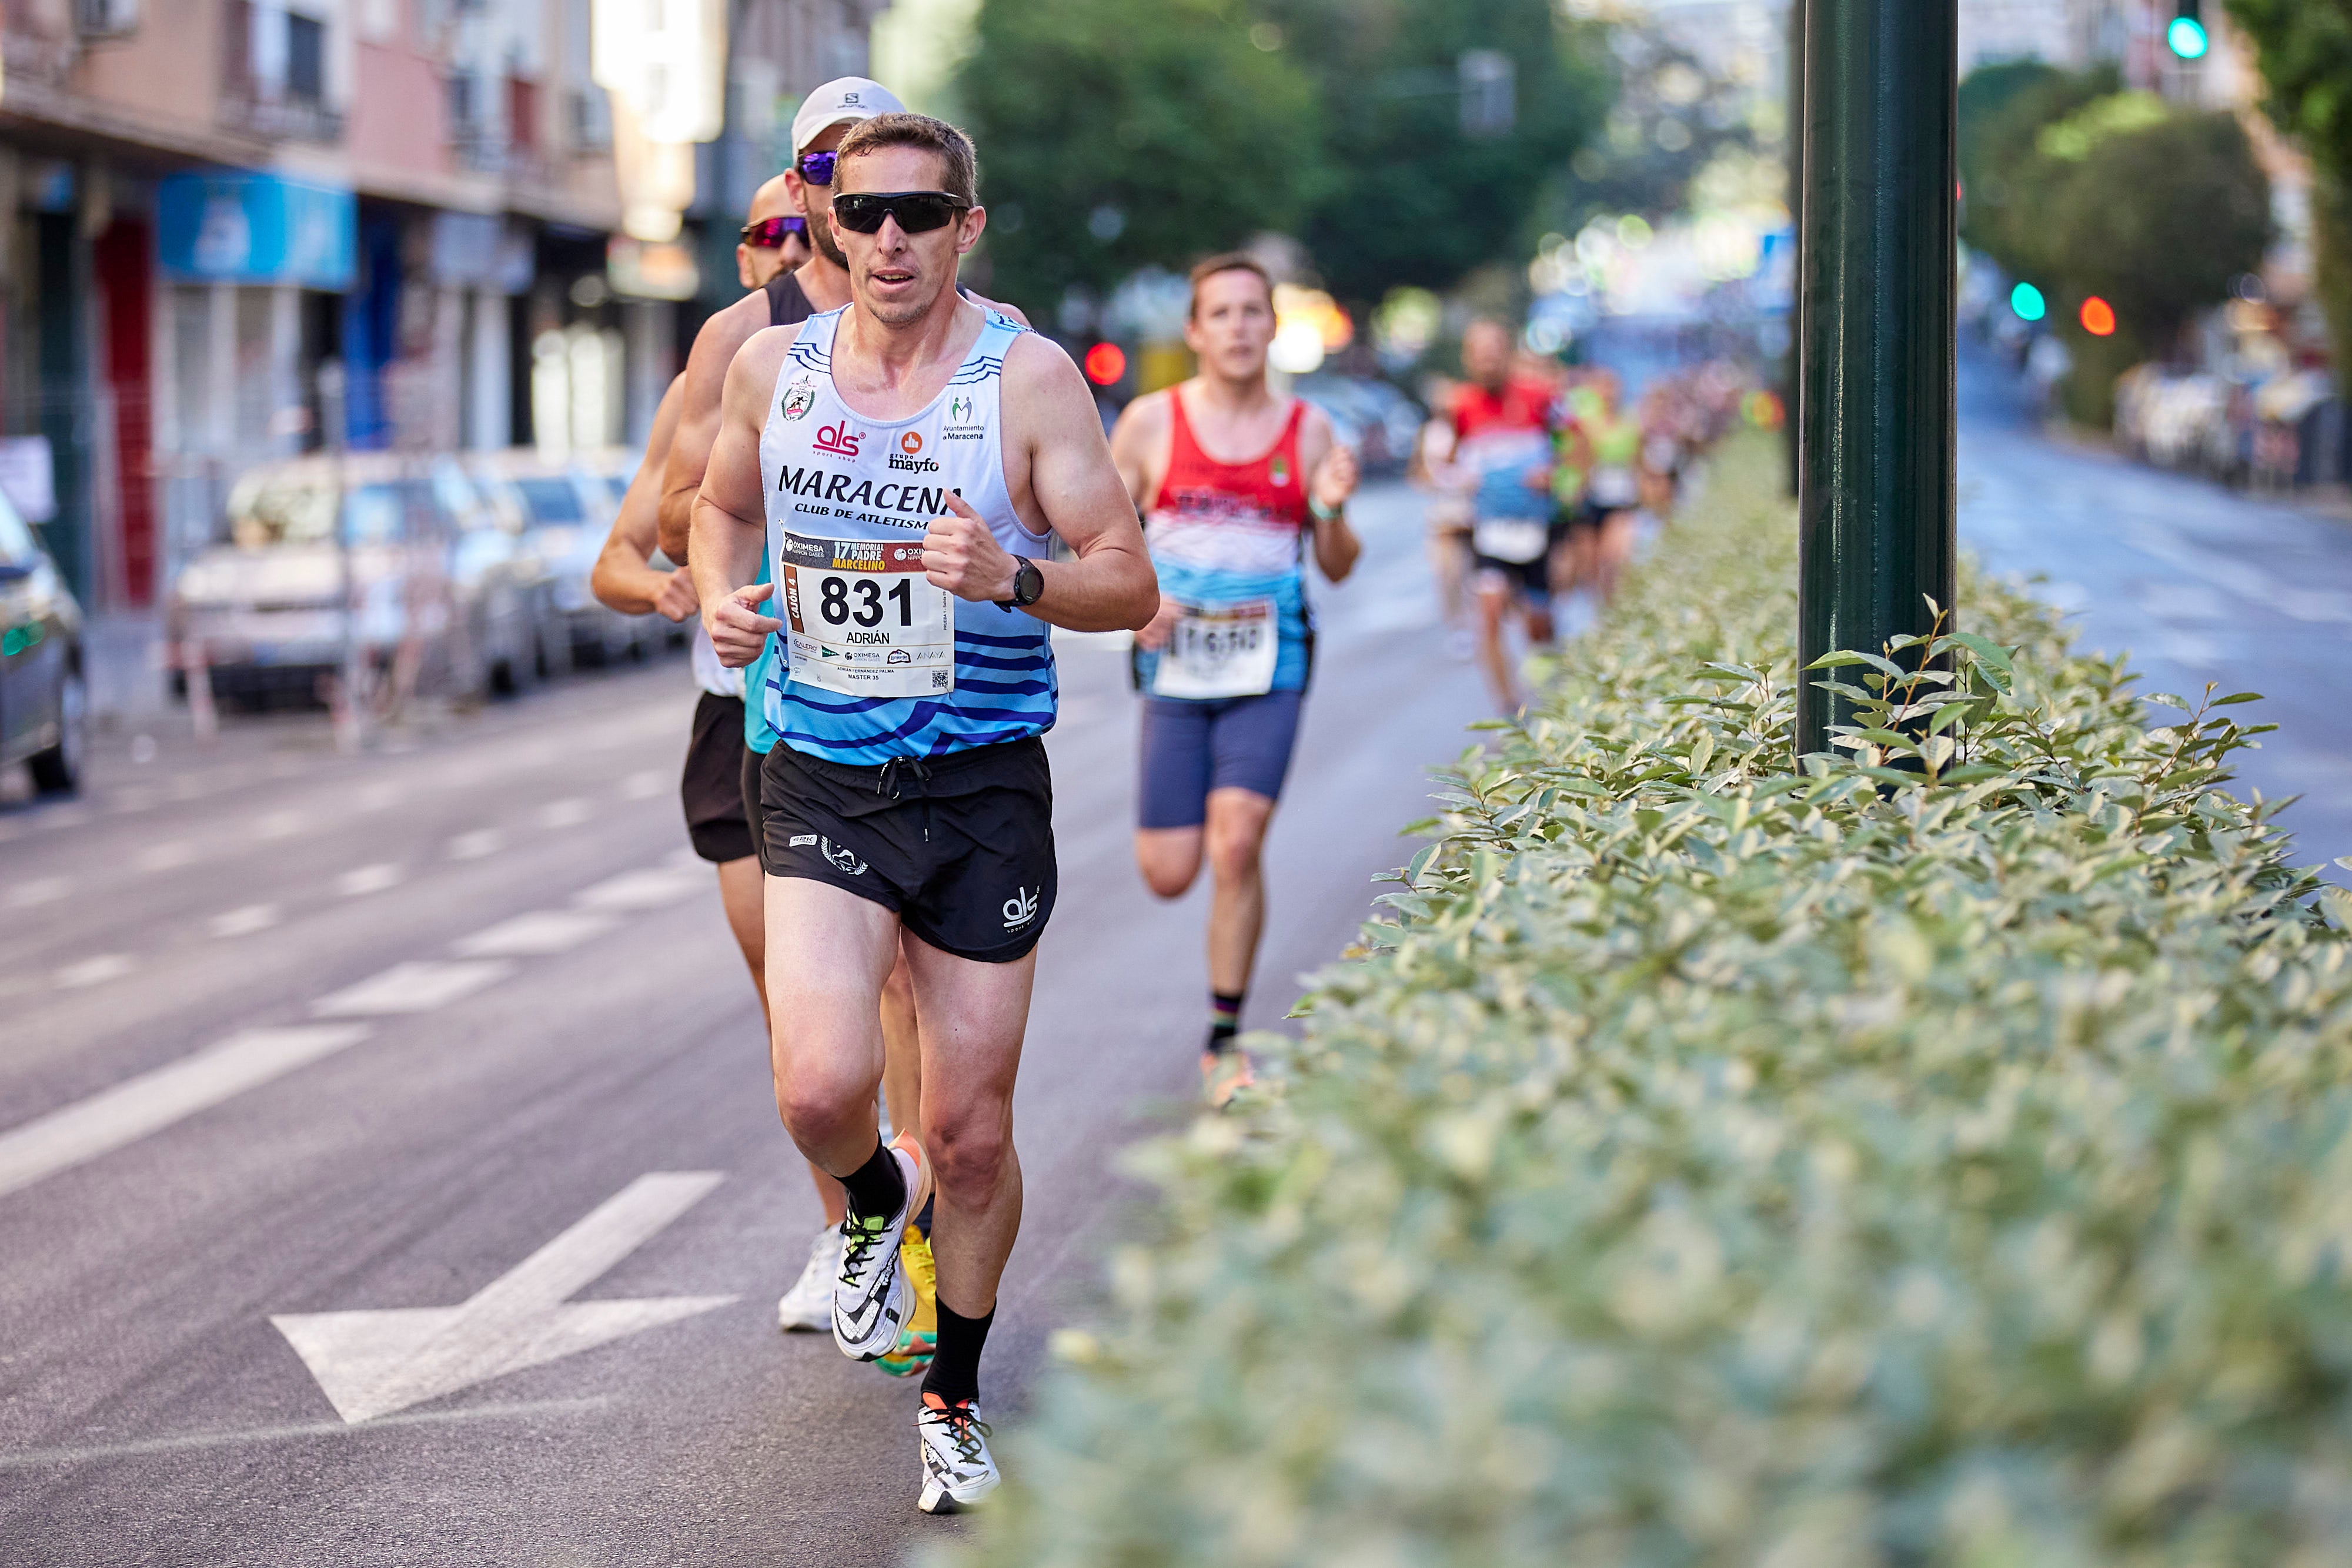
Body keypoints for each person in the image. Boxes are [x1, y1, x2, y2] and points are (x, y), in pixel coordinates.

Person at [690, 112, 1158, 1514]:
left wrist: (1010, 577)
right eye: (863, 210)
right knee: (819, 1088)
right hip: (826, 770)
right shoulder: (774, 368)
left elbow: (1126, 581)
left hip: (980, 787)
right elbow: (711, 505)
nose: (888, 236)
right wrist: (721, 593)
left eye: (920, 212)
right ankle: (873, 1213)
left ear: (967, 225)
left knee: (967, 1128)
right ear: (828, 222)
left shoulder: (1028, 384)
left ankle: (951, 1397)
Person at [602, 89, 940, 1369]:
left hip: (897, 705)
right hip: (750, 710)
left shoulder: (952, 334)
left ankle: (910, 1230)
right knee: (801, 1010)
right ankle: (853, 1225)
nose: (809, 226)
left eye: (879, 189)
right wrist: (698, 557)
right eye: (814, 184)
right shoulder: (738, 347)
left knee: (905, 978)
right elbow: (647, 528)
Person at [1108, 254, 1359, 1108]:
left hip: (1271, 662)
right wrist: (1137, 604)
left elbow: (1339, 564)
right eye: (1222, 313)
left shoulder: (1311, 429)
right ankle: (1223, 1026)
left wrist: (1327, 509)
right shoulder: (1149, 424)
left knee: (1238, 839)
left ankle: (1225, 1038)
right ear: (1195, 331)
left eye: (1254, 311)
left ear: (1272, 326)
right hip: (1174, 665)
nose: (1240, 327)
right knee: (1170, 869)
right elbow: (1096, 538)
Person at [1447, 319, 1565, 713]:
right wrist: (1458, 482)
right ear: (1468, 360)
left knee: (1538, 622)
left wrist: (1559, 476)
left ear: (1507, 354)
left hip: (1535, 528)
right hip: (1490, 532)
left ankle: (1551, 693)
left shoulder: (1540, 397)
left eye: (1494, 352)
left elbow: (1575, 442)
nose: (1487, 361)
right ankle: (1508, 705)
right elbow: (1447, 460)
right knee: (1491, 612)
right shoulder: (1460, 406)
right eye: (1479, 354)